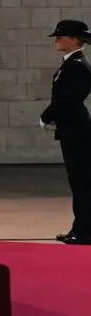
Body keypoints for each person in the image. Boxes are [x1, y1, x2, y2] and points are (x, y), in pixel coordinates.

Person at [41, 20, 91, 245]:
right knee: (78, 182)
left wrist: (46, 116)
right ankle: (80, 228)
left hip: (77, 130)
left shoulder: (77, 66)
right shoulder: (70, 64)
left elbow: (68, 99)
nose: (57, 40)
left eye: (61, 36)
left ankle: (84, 231)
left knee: (81, 182)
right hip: (71, 129)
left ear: (74, 40)